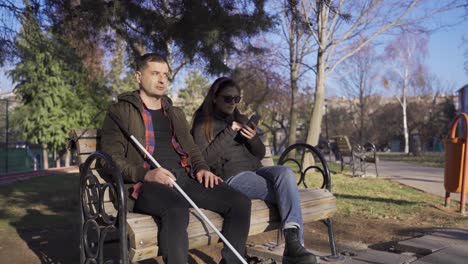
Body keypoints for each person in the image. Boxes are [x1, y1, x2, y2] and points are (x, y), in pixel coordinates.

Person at [101, 54, 251, 264]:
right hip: (145, 185)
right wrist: (148, 174)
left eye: (165, 75)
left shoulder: (174, 112)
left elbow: (191, 148)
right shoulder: (121, 112)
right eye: (155, 73)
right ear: (138, 76)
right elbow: (109, 159)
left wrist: (201, 168)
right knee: (177, 208)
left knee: (239, 202)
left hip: (184, 179)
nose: (162, 80)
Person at [191, 77, 317, 264]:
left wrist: (252, 138)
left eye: (237, 99)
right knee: (287, 193)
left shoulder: (239, 118)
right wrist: (230, 131)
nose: (233, 103)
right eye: (228, 98)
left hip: (257, 171)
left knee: (286, 173)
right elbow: (204, 158)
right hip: (233, 178)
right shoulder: (203, 123)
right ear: (215, 97)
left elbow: (259, 154)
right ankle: (293, 249)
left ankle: (293, 245)